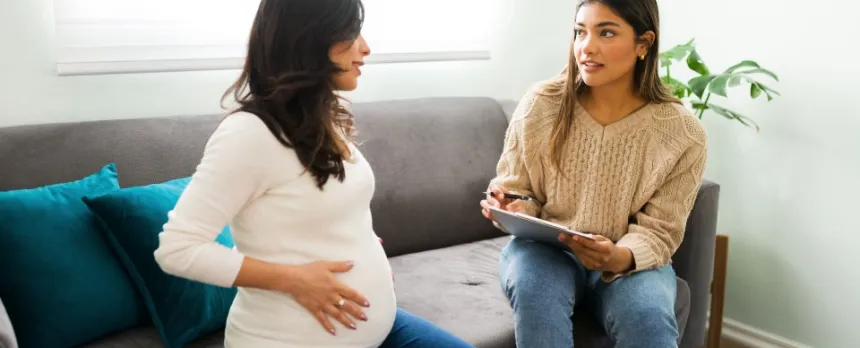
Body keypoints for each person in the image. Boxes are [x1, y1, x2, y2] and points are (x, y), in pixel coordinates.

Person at [153, 1, 474, 347]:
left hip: (380, 328)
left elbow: (324, 206)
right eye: (350, 35)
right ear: (310, 40)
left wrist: (365, 248)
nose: (365, 48)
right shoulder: (249, 135)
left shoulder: (324, 117)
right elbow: (177, 249)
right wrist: (294, 279)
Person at [479, 0, 708, 347]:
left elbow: (661, 231)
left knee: (648, 318)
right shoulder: (541, 103)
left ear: (643, 43)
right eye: (579, 32)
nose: (586, 46)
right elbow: (516, 188)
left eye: (606, 32)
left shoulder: (683, 134)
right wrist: (511, 206)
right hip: (544, 251)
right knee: (535, 290)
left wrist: (619, 257)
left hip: (626, 260)